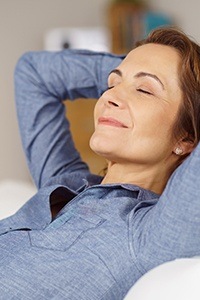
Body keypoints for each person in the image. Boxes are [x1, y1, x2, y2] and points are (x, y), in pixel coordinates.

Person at [1, 26, 200, 299]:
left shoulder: (150, 234)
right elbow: (34, 73)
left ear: (186, 139)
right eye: (111, 84)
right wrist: (133, 66)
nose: (109, 97)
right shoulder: (66, 185)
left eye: (145, 90)